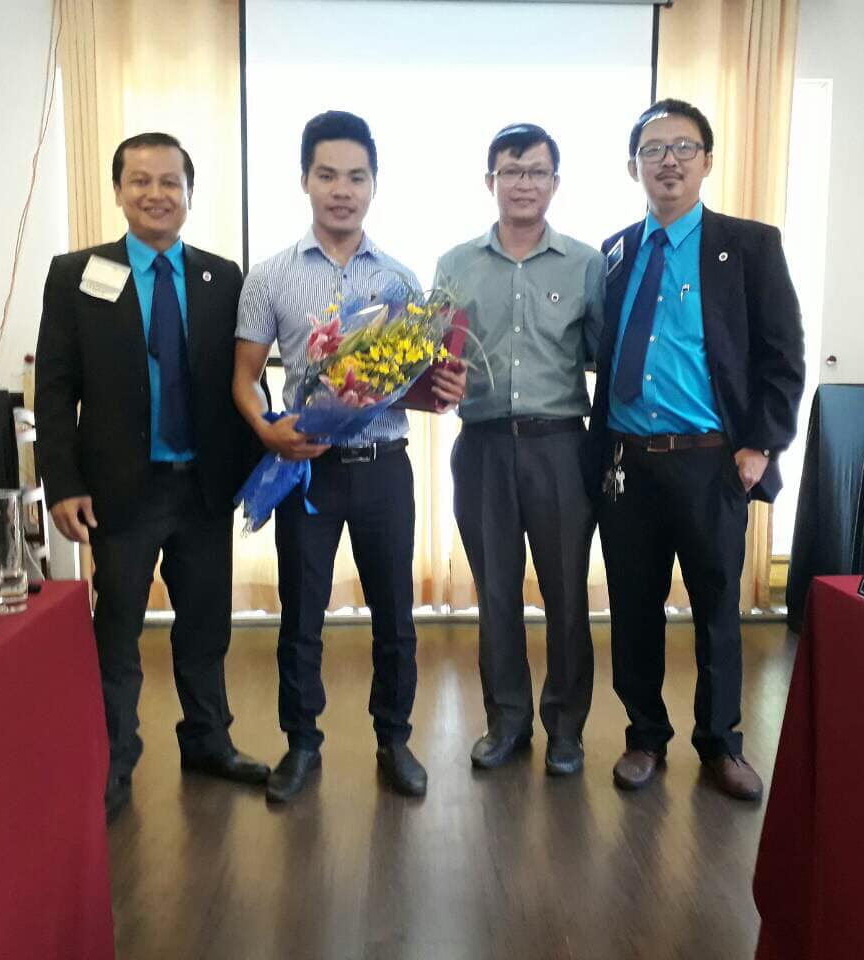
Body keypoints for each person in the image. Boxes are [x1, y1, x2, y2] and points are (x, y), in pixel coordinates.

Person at [35, 132, 270, 823]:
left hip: (203, 487)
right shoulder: (76, 274)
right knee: (117, 633)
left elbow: (245, 377)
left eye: (171, 182)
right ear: (118, 191)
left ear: (190, 195)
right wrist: (62, 483)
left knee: (205, 626)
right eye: (140, 181)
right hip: (118, 490)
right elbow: (54, 388)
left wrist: (260, 468)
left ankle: (208, 742)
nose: (156, 194)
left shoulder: (222, 276)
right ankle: (113, 758)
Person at [233, 110, 466, 803]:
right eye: (328, 175)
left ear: (373, 184)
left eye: (356, 177)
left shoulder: (400, 280)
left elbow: (418, 381)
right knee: (301, 615)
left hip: (384, 467)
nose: (342, 190)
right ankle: (302, 743)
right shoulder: (270, 277)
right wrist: (267, 430)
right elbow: (244, 377)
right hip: (306, 468)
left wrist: (446, 386)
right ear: (305, 180)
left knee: (395, 615)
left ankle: (394, 739)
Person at [589, 99, 804, 800]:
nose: (669, 161)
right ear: (634, 168)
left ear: (707, 160)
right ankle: (645, 737)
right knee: (634, 607)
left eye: (684, 147)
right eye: (653, 150)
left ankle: (720, 744)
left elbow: (782, 356)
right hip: (627, 463)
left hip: (712, 462)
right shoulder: (615, 252)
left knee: (716, 608)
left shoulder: (749, 245)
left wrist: (761, 446)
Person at [433, 123, 605, 776]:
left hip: (560, 449)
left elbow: (607, 356)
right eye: (511, 171)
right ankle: (507, 721)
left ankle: (565, 728)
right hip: (481, 448)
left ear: (555, 183)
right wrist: (435, 380)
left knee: (566, 595)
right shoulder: (455, 264)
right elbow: (435, 355)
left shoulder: (587, 264)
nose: (523, 183)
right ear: (491, 182)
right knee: (497, 595)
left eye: (536, 171)